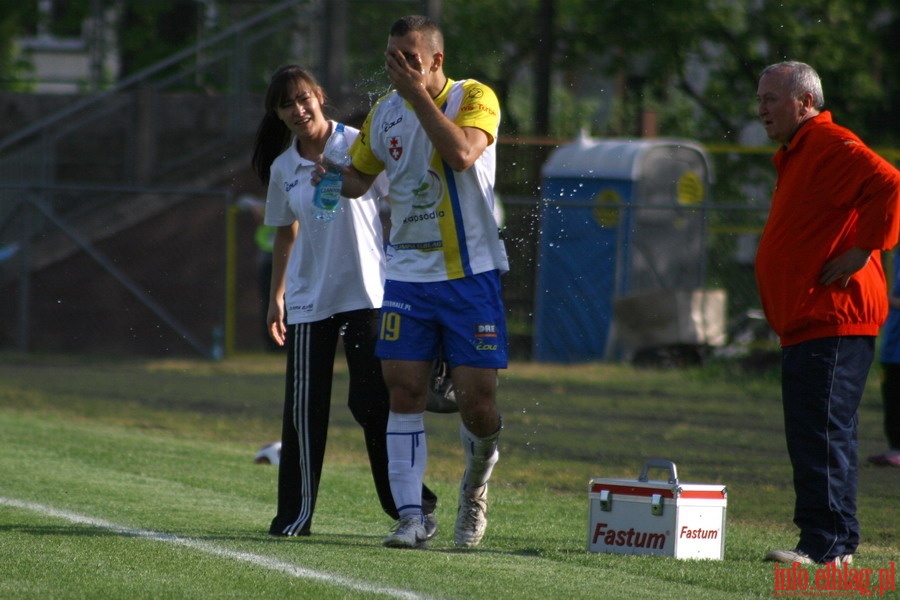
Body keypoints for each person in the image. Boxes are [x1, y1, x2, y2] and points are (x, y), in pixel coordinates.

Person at [317, 15, 508, 549]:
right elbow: (360, 180)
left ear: (437, 62)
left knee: (478, 400)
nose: (398, 68)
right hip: (405, 275)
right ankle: (411, 517)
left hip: (471, 276)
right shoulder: (385, 113)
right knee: (402, 390)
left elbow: (462, 154)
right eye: (392, 58)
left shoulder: (473, 96)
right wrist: (332, 172)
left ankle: (474, 487)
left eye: (410, 58)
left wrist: (415, 95)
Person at [250, 64, 438, 538]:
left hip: (368, 295)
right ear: (277, 114)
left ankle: (412, 509)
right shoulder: (282, 167)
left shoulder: (358, 141)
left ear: (319, 96)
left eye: (303, 98)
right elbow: (284, 235)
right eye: (286, 104)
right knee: (303, 412)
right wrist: (277, 297)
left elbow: (405, 198)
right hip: (310, 301)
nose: (298, 110)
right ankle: (294, 518)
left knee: (373, 403)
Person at [754, 61, 900, 565]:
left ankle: (830, 547)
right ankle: (824, 541)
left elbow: (890, 182)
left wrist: (864, 250)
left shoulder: (828, 143)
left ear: (805, 102)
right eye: (761, 98)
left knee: (822, 432)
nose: (762, 108)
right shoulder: (798, 152)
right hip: (809, 321)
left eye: (772, 98)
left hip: (835, 317)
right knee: (814, 432)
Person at [870, 252, 900, 467]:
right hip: (892, 345)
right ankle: (895, 449)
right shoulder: (896, 255)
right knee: (892, 398)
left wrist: (882, 297)